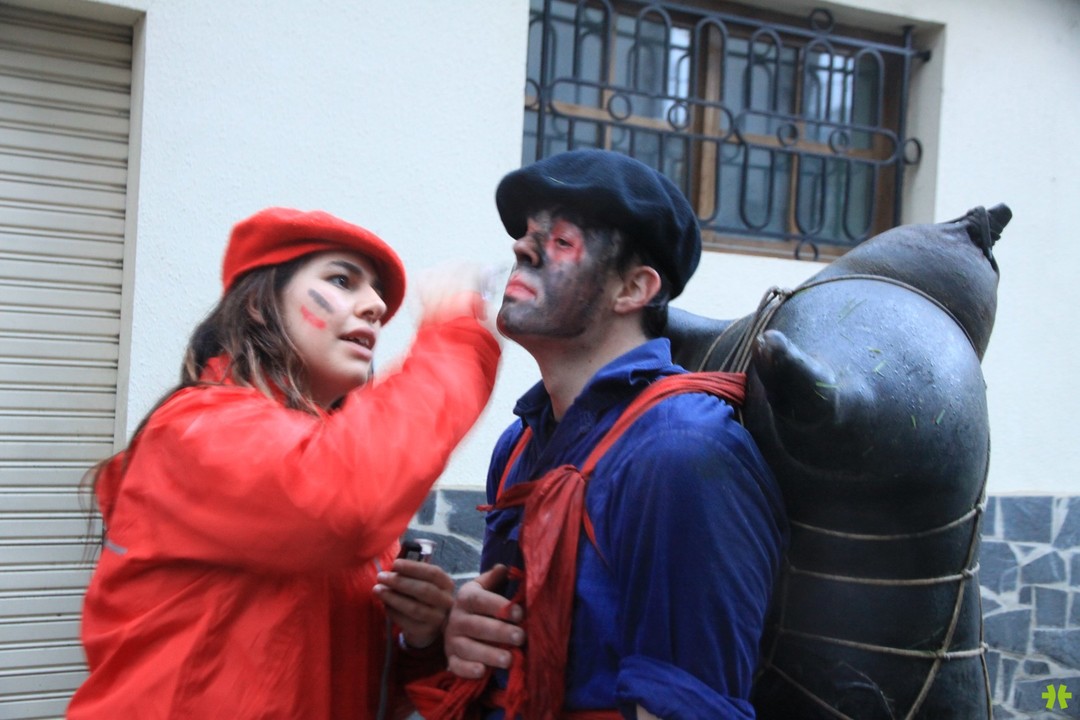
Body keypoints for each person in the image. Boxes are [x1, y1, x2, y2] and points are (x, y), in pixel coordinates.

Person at [67, 207, 502, 720]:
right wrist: (456, 335)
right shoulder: (196, 429)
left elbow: (337, 683)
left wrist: (419, 639)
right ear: (258, 304)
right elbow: (346, 506)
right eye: (341, 280)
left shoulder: (325, 458)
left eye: (375, 295)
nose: (376, 306)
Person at [430, 150, 787, 719]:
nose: (522, 249)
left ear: (633, 289)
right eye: (525, 236)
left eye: (560, 241)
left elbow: (682, 706)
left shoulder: (683, 450)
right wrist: (464, 631)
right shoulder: (518, 445)